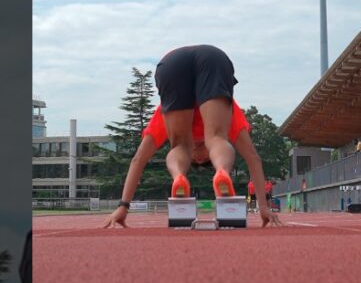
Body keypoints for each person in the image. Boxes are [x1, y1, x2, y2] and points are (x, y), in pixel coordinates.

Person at [103, 45, 282, 228]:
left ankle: (179, 176)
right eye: (202, 158)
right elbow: (252, 157)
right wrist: (263, 206)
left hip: (172, 62)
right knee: (216, 138)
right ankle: (221, 170)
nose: (196, 154)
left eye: (194, 159)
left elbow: (139, 159)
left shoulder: (163, 116)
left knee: (180, 146)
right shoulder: (229, 114)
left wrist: (123, 206)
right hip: (212, 57)